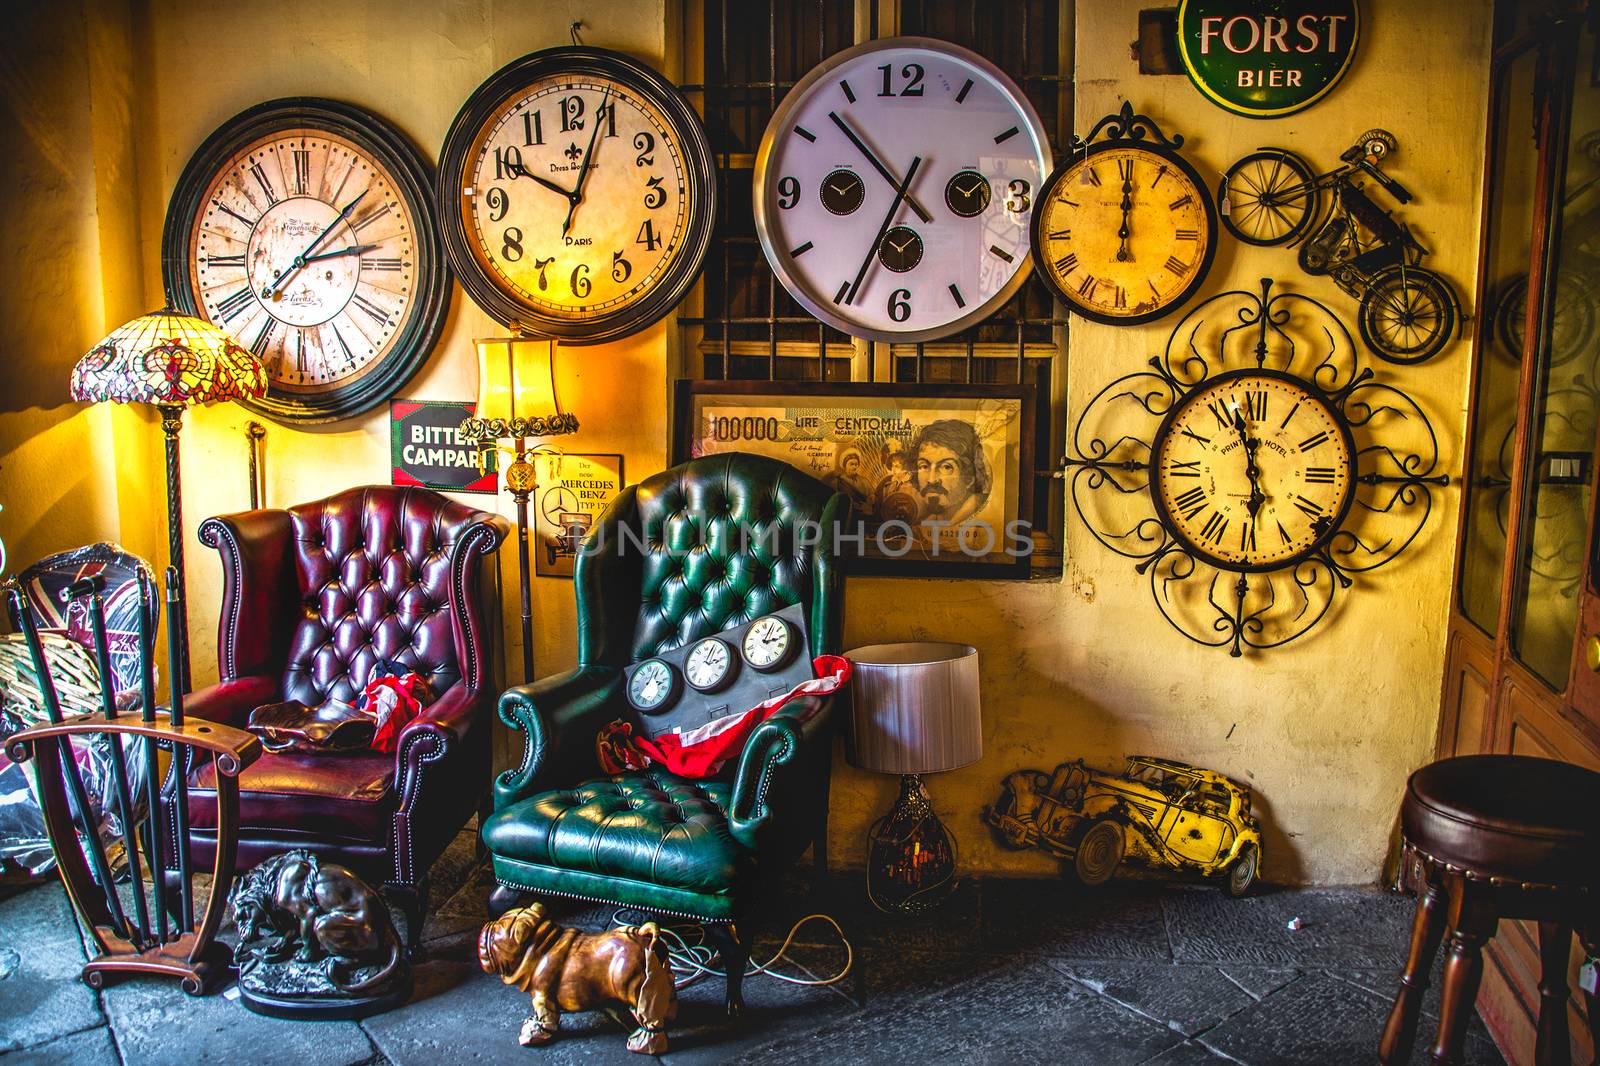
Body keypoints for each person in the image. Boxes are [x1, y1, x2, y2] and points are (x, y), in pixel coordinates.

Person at [910, 419, 991, 525]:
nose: (931, 480)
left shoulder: (981, 520)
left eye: (946, 467)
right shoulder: (927, 522)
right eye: (924, 466)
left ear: (970, 477)